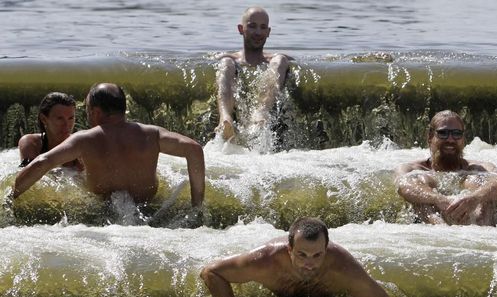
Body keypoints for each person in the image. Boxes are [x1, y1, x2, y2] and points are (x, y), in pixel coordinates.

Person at [13, 83, 205, 208]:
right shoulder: (153, 134)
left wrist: (10, 197)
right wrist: (197, 204)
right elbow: (194, 149)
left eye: (87, 110)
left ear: (95, 111)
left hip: (104, 213)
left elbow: (43, 162)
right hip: (150, 208)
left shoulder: (84, 139)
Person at [200, 217, 398, 297]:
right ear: (289, 250)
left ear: (326, 249)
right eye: (302, 255)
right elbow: (211, 272)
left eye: (317, 255)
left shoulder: (343, 267)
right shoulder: (266, 260)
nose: (309, 263)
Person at [395, 110, 497, 225]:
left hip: (479, 223)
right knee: (420, 192)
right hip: (432, 222)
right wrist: (439, 199)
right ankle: (442, 232)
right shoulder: (410, 168)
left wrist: (474, 198)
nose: (450, 139)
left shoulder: (479, 167)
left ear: (463, 139)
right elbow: (403, 186)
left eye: (456, 133)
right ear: (430, 137)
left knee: (480, 185)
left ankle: (480, 232)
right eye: (443, 133)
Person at [215, 6, 291, 141]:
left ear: (268, 32)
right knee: (226, 62)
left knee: (280, 59)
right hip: (232, 70)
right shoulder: (229, 58)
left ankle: (260, 113)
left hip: (263, 113)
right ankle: (225, 119)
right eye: (252, 26)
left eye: (263, 27)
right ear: (240, 29)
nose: (258, 32)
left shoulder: (275, 59)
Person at [18, 92, 81, 169]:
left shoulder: (79, 147)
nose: (66, 125)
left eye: (71, 118)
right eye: (60, 118)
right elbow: (28, 176)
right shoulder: (31, 143)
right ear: (44, 119)